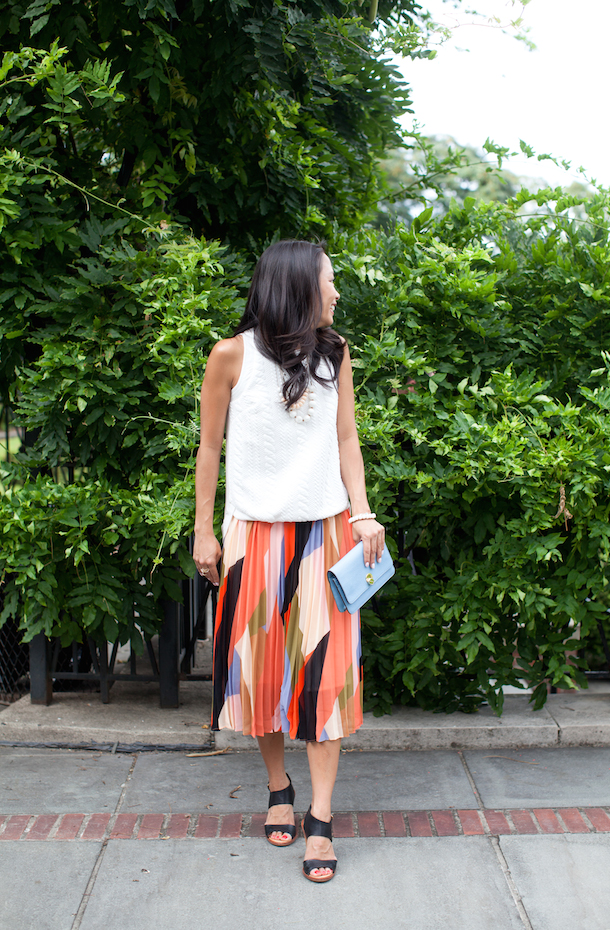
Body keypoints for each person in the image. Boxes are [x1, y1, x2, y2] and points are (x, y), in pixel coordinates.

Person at [193, 239, 384, 883]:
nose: (335, 293)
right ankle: (280, 788)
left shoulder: (334, 355)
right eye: (329, 282)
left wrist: (361, 511)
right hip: (253, 539)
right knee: (261, 676)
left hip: (325, 537)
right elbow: (210, 451)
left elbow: (347, 439)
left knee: (324, 680)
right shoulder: (230, 357)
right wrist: (204, 531)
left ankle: (322, 819)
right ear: (298, 288)